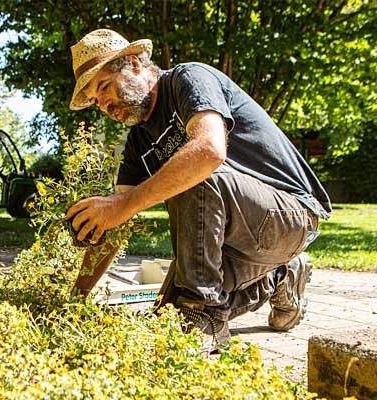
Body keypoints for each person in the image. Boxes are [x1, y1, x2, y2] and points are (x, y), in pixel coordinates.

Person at [66, 29, 331, 354]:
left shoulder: (188, 79)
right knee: (167, 318)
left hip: (289, 216)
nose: (104, 104)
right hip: (235, 241)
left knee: (193, 171)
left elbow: (209, 151)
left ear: (134, 63)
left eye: (105, 87)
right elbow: (119, 221)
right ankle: (280, 276)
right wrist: (74, 302)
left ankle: (203, 315)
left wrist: (121, 204)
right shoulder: (137, 142)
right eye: (95, 100)